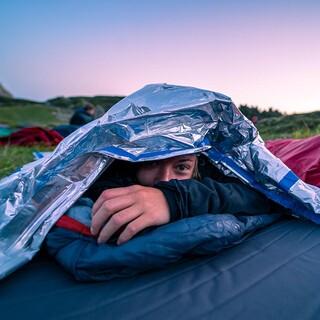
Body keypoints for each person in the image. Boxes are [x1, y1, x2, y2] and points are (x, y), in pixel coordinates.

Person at [85, 154, 280, 246]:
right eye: (152, 162)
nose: (164, 179)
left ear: (196, 170)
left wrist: (174, 199)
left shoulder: (210, 171)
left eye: (182, 167)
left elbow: (261, 195)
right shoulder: (112, 175)